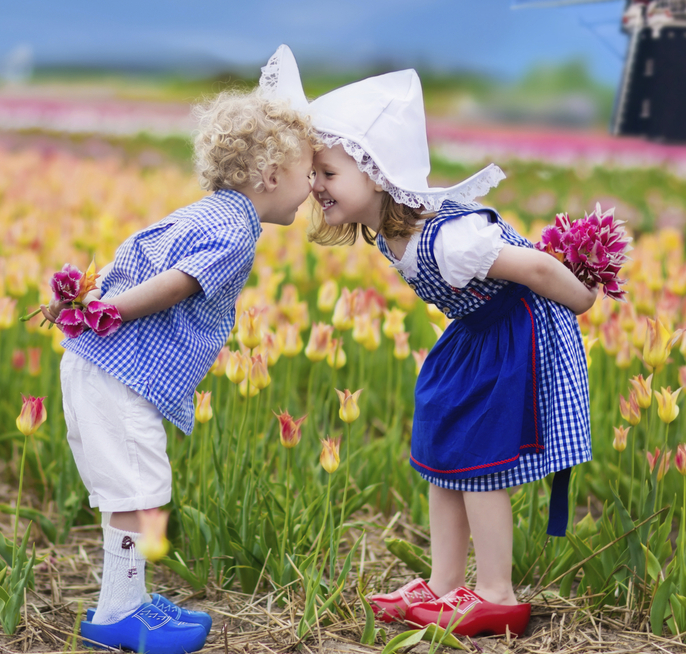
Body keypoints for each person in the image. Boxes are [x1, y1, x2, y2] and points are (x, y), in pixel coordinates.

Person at [293, 67, 597, 637]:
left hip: (510, 335)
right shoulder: (389, 232)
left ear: (378, 175)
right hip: (474, 336)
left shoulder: (450, 239)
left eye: (328, 172)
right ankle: (442, 582)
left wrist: (581, 298)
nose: (316, 185)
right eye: (314, 173)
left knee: (478, 460)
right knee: (443, 449)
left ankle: (496, 593)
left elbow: (530, 265)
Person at [40, 49, 318, 654]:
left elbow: (131, 256)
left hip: (100, 366)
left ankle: (128, 601)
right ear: (271, 175)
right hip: (119, 373)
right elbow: (182, 282)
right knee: (140, 494)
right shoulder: (234, 231)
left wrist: (82, 301)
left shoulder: (202, 212)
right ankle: (119, 616)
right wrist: (108, 310)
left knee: (133, 493)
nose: (314, 186)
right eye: (309, 172)